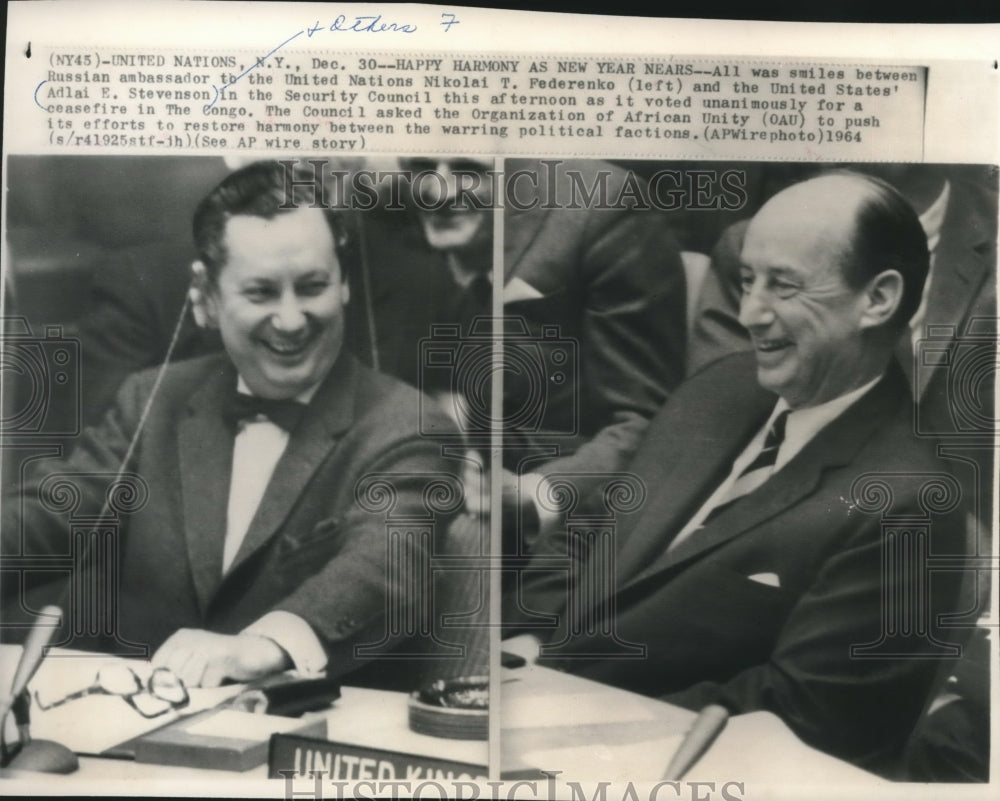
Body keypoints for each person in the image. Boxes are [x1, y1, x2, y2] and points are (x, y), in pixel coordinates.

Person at [506, 172, 968, 774]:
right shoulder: (718, 391)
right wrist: (529, 639)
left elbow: (803, 715)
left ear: (877, 299)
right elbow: (592, 526)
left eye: (784, 287)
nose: (750, 313)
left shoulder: (908, 502)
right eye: (748, 280)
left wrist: (573, 725)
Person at [2, 161, 461, 690]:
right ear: (207, 298)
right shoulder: (155, 397)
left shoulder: (410, 425)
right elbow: (54, 515)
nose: (291, 320)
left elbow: (387, 563)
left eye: (311, 287)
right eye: (260, 293)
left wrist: (267, 645)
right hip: (136, 737)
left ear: (344, 287)